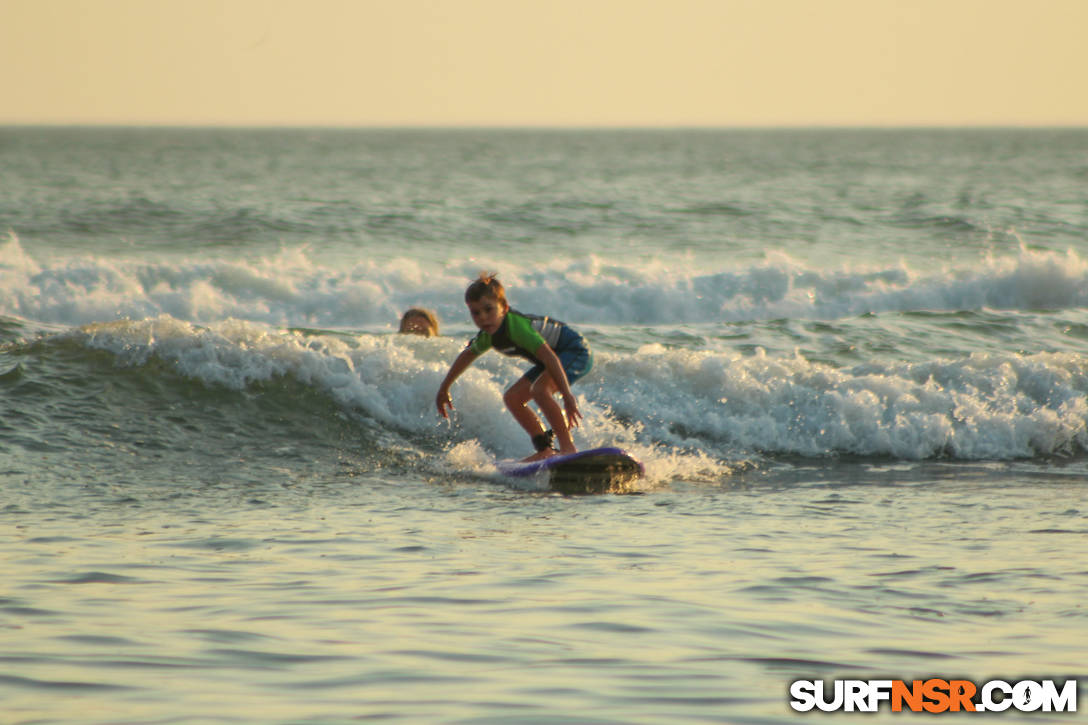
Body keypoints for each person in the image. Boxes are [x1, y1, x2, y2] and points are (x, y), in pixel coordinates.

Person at [436, 273, 592, 461]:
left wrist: (567, 396)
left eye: (489, 309)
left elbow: (550, 358)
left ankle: (568, 448)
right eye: (476, 313)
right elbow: (467, 355)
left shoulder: (517, 327)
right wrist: (444, 388)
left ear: (504, 308)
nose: (483, 318)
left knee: (540, 390)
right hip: (554, 358)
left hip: (574, 351)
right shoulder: (488, 335)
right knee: (513, 398)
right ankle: (545, 449)